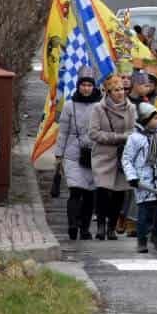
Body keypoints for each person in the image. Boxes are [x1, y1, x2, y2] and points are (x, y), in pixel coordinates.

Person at [122, 102, 157, 253]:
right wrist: (132, 177)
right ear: (146, 119)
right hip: (143, 184)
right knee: (143, 215)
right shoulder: (134, 138)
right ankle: (142, 241)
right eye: (155, 118)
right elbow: (127, 159)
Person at [88, 73, 137, 241]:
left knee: (119, 193)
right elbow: (93, 133)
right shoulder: (98, 108)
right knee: (102, 190)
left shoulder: (131, 108)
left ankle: (111, 227)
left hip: (123, 156)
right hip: (103, 155)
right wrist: (119, 137)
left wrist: (125, 138)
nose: (120, 93)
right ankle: (101, 225)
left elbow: (133, 131)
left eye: (122, 89)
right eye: (116, 90)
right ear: (108, 92)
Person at [59, 73, 102, 241]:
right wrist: (59, 153)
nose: (86, 88)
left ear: (94, 87)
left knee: (90, 193)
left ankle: (85, 228)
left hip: (94, 153)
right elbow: (62, 131)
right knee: (75, 190)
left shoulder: (101, 106)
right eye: (83, 85)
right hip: (73, 153)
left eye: (89, 85)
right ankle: (72, 225)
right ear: (78, 86)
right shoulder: (69, 106)